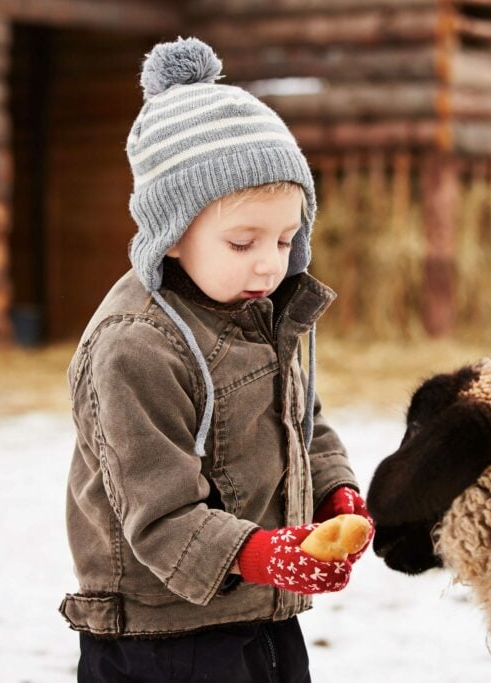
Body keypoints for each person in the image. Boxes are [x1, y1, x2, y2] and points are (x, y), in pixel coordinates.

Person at [59, 37, 372, 682]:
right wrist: (262, 553)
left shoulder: (258, 311)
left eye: (287, 239)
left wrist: (335, 492)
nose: (269, 262)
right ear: (172, 234)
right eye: (242, 241)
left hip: (259, 615)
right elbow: (158, 511)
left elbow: (301, 424)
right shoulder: (135, 347)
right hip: (162, 637)